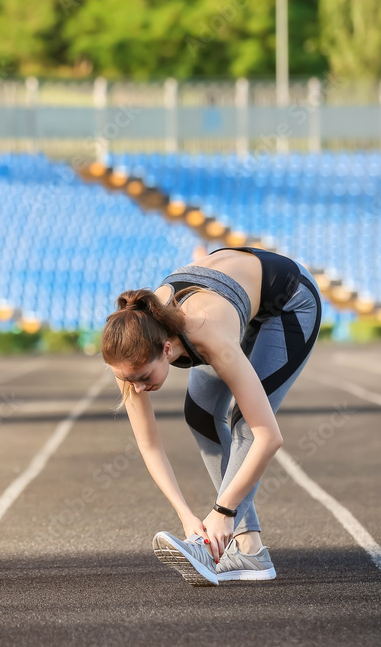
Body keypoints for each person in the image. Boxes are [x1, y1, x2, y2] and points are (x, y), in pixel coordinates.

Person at [101, 246, 321, 586]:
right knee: (200, 414)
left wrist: (224, 512)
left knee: (247, 424)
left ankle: (224, 540)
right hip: (233, 292)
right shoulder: (127, 355)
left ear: (168, 350)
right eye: (130, 380)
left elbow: (269, 437)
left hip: (290, 302)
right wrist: (185, 515)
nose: (138, 389)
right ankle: (249, 548)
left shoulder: (208, 334)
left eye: (145, 378)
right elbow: (149, 445)